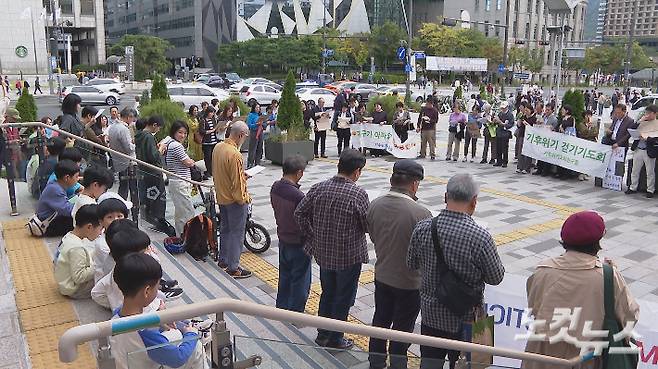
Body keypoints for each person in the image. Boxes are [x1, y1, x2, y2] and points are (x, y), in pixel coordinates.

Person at [408, 173, 505, 369]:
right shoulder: (480, 237)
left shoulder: (423, 228)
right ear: (474, 201)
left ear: (445, 197)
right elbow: (496, 277)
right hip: (466, 317)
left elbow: (411, 263)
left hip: (431, 314)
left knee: (429, 362)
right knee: (464, 364)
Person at [522, 211, 639, 369]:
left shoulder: (542, 271)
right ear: (597, 241)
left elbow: (534, 308)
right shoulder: (608, 276)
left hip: (541, 357)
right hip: (585, 359)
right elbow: (630, 316)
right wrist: (613, 275)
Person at [295, 149, 369, 350]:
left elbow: (300, 213)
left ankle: (323, 333)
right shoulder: (358, 193)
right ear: (356, 171)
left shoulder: (319, 188)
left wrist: (313, 235)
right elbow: (366, 225)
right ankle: (336, 338)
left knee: (328, 292)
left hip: (323, 253)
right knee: (343, 296)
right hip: (348, 256)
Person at [367, 160, 431, 369]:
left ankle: (375, 362)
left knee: (380, 320)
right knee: (402, 328)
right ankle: (397, 363)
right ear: (414, 184)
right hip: (409, 282)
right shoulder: (420, 213)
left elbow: (374, 236)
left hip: (382, 274)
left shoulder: (374, 204)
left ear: (391, 180)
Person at [110, 252, 209, 369]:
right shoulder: (145, 331)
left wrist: (158, 321)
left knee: (176, 333)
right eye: (157, 287)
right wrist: (191, 334)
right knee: (196, 346)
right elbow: (178, 358)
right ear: (147, 291)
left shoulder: (117, 315)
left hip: (130, 362)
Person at [212, 121, 253, 279]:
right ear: (241, 135)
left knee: (225, 229)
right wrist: (244, 199)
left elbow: (223, 173)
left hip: (221, 196)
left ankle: (223, 260)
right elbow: (237, 184)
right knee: (237, 233)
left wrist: (241, 176)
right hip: (234, 200)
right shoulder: (235, 154)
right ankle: (233, 267)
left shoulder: (218, 147)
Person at [270, 155, 310, 312]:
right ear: (299, 173)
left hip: (283, 239)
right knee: (300, 279)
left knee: (285, 276)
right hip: (299, 243)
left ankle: (282, 307)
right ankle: (296, 312)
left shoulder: (275, 187)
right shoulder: (298, 196)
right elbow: (305, 221)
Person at [54, 204, 103, 299]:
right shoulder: (76, 248)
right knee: (106, 276)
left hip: (63, 281)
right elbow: (79, 277)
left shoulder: (69, 236)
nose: (101, 233)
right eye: (100, 228)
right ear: (89, 227)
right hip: (75, 290)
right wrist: (98, 265)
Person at [135, 116, 172, 234]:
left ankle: (149, 218)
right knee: (157, 198)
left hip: (143, 170)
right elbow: (153, 156)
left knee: (148, 197)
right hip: (153, 172)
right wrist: (160, 148)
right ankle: (158, 220)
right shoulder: (148, 137)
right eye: (159, 128)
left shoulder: (139, 135)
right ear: (154, 125)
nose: (159, 130)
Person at [162, 121, 197, 236]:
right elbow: (188, 162)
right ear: (174, 132)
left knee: (180, 212)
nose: (182, 135)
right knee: (187, 211)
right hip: (180, 182)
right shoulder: (176, 146)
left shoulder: (169, 143)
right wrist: (192, 162)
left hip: (176, 182)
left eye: (185, 133)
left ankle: (180, 236)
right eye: (180, 132)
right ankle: (185, 237)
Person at [35, 160, 79, 236]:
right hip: (47, 225)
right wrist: (82, 203)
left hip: (50, 218)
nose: (78, 179)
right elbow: (68, 211)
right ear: (67, 178)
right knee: (80, 220)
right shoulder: (55, 190)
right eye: (76, 176)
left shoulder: (55, 184)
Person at [626, 104, 658, 198]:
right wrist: (640, 120)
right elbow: (631, 128)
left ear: (655, 114)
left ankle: (650, 189)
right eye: (646, 112)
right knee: (635, 170)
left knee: (650, 171)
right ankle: (632, 187)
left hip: (649, 150)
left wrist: (647, 139)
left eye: (649, 113)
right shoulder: (642, 122)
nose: (647, 114)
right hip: (638, 148)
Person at [533, 104, 558, 176]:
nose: (546, 111)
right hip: (542, 138)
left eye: (548, 110)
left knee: (547, 156)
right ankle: (539, 169)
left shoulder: (554, 119)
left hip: (549, 139)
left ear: (552, 110)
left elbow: (554, 129)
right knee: (540, 154)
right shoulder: (543, 117)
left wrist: (547, 127)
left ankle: (545, 171)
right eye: (546, 109)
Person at [576, 110, 599, 181]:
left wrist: (590, 129)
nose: (589, 117)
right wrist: (589, 129)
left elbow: (596, 133)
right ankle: (580, 173)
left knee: (589, 160)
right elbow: (584, 133)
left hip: (592, 143)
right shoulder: (581, 124)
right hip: (583, 143)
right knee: (582, 159)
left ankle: (586, 173)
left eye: (590, 115)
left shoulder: (593, 124)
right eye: (587, 116)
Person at [199, 106, 220, 178]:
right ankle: (209, 171)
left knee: (213, 157)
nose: (212, 114)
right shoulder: (203, 121)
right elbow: (202, 131)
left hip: (214, 141)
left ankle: (213, 171)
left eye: (213, 113)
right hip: (206, 142)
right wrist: (211, 131)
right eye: (211, 112)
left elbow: (215, 128)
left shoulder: (213, 120)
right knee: (207, 158)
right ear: (208, 112)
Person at [516, 101, 537, 174]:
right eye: (525, 110)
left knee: (528, 152)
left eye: (527, 110)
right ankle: (519, 167)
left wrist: (527, 124)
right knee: (520, 151)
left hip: (529, 137)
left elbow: (534, 128)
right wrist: (519, 121)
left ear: (531, 111)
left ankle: (526, 168)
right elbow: (519, 125)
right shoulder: (523, 117)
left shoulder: (533, 118)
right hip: (522, 135)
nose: (526, 112)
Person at [493, 101, 515, 168]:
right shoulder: (500, 113)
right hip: (499, 132)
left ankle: (505, 161)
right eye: (502, 108)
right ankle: (499, 161)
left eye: (504, 108)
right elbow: (497, 123)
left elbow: (511, 124)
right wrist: (495, 121)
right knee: (498, 147)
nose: (503, 109)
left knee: (505, 148)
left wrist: (503, 124)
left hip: (505, 133)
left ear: (507, 107)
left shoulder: (510, 115)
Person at [246, 103, 265, 168]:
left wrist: (264, 123)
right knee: (253, 148)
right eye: (256, 107)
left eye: (259, 108)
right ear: (254, 108)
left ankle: (258, 162)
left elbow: (264, 123)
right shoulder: (251, 115)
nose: (258, 109)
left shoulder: (260, 115)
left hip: (260, 131)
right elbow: (249, 125)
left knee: (259, 147)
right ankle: (250, 162)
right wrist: (256, 124)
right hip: (254, 132)